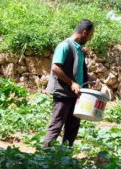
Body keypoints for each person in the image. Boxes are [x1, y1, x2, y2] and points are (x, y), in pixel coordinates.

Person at [42, 19, 99, 147]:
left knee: (73, 126)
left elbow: (75, 70)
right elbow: (56, 68)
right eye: (90, 35)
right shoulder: (64, 46)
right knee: (57, 124)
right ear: (84, 32)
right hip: (63, 93)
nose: (90, 38)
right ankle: (44, 155)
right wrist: (72, 83)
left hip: (77, 94)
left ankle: (66, 155)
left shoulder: (80, 50)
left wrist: (89, 79)